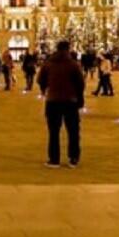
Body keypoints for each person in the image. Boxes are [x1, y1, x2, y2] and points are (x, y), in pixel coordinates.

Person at [37, 40, 85, 168]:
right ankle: (73, 158)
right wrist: (80, 99)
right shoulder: (73, 65)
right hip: (70, 101)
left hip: (53, 101)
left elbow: (40, 80)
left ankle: (54, 159)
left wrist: (45, 89)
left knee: (53, 131)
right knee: (73, 131)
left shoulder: (48, 63)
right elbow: (80, 83)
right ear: (68, 49)